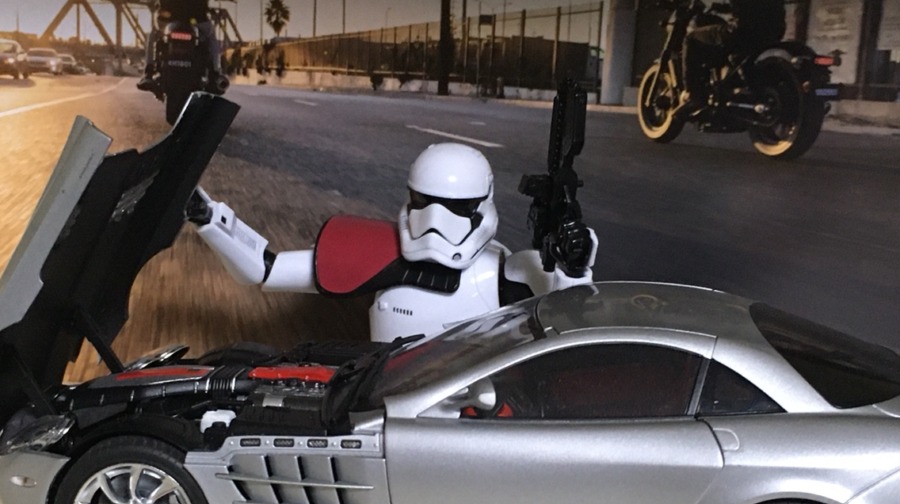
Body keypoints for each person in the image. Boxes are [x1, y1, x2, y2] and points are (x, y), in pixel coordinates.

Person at [192, 143, 598, 342]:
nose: (436, 220)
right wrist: (210, 217)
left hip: (476, 422)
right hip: (386, 419)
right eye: (425, 202)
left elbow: (574, 319)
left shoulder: (507, 272)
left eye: (455, 207)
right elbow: (266, 270)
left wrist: (573, 266)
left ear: (480, 204)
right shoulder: (379, 253)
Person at [680, 0, 786, 111]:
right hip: (775, 30)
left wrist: (715, 6)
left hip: (743, 30)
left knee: (690, 39)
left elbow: (742, 7)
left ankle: (692, 93)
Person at [138, 0, 228, 93]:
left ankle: (148, 72)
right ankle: (215, 74)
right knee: (210, 38)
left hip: (168, 18)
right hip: (196, 18)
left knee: (154, 35)